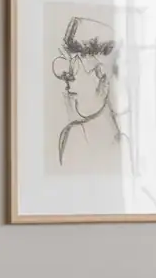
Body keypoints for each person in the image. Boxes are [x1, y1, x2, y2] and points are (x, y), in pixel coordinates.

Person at [51, 16, 126, 168]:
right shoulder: (71, 137)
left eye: (77, 70)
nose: (68, 82)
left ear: (102, 80)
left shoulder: (122, 148)